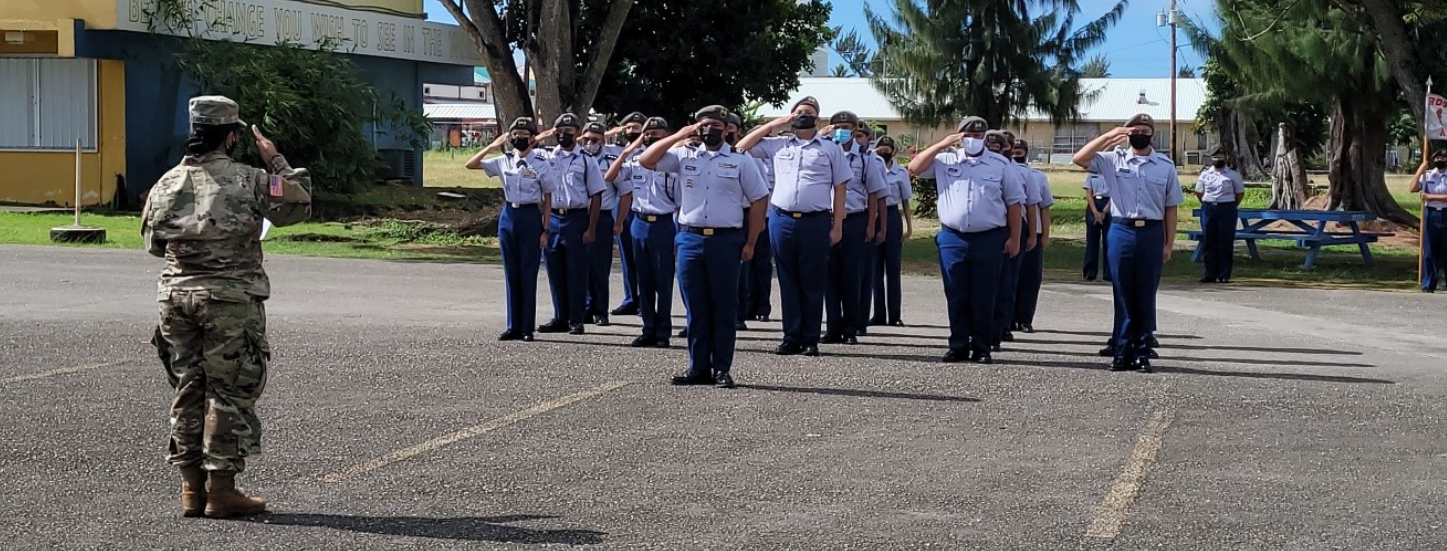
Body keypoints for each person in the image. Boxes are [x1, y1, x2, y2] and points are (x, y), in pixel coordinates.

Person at [141, 95, 312, 518]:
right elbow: (297, 204)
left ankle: (190, 491)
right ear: (232, 136)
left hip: (176, 299)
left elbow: (152, 243)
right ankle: (221, 490)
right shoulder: (252, 179)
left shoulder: (165, 183)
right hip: (229, 300)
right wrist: (276, 161)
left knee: (188, 389)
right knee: (228, 391)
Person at [639, 105, 770, 388]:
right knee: (695, 307)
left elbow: (759, 199)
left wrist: (751, 241)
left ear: (726, 129)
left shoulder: (740, 160)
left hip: (726, 239)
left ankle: (722, 368)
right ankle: (697, 367)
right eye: (704, 125)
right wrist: (678, 135)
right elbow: (646, 161)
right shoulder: (683, 155)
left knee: (723, 307)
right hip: (690, 238)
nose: (709, 130)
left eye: (716, 125)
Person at [736, 97, 851, 357]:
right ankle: (791, 336)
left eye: (808, 113)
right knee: (787, 279)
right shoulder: (778, 145)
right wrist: (775, 124)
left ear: (818, 119)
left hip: (816, 220)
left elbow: (840, 186)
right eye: (798, 112)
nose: (803, 116)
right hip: (781, 219)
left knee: (812, 280)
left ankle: (810, 338)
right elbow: (740, 148)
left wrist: (838, 225)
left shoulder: (831, 149)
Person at [908, 116, 1024, 364]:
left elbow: (1014, 203)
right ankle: (958, 344)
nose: (973, 139)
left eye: (978, 135)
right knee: (956, 292)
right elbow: (915, 168)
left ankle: (982, 346)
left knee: (984, 294)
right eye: (968, 135)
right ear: (959, 136)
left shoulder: (1000, 164)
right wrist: (941, 144)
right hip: (953, 236)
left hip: (989, 237)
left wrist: (1015, 238)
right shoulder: (945, 160)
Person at [1073, 113, 1182, 373]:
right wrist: (1110, 136)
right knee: (1122, 292)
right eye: (1134, 130)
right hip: (1121, 229)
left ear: (1153, 135)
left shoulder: (1165, 166)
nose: (1139, 133)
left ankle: (1142, 353)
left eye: (1145, 130)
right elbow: (1080, 159)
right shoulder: (1113, 159)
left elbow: (1170, 208)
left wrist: (1168, 243)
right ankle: (1122, 352)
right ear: (1127, 133)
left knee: (1145, 293)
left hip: (1151, 232)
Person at [467, 117, 557, 342]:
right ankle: (513, 325)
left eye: (523, 134)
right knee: (511, 273)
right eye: (515, 134)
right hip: (509, 215)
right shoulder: (503, 160)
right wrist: (491, 146)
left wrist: (546, 229)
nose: (519, 138)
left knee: (528, 273)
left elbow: (548, 198)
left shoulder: (540, 163)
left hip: (529, 215)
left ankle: (527, 327)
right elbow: (471, 164)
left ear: (532, 137)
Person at [606, 117, 679, 347]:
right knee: (644, 280)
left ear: (666, 136)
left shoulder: (673, 164)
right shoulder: (636, 161)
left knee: (663, 281)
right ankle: (648, 328)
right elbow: (609, 176)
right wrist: (628, 151)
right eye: (647, 134)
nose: (650, 137)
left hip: (664, 223)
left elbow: (679, 202)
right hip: (639, 223)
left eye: (656, 134)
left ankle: (663, 332)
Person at [820, 111, 886, 345]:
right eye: (837, 126)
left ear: (855, 128)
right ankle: (832, 328)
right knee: (829, 276)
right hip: (826, 219)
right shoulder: (824, 154)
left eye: (846, 126)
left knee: (851, 276)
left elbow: (873, 193)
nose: (841, 130)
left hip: (855, 220)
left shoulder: (866, 159)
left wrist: (871, 225)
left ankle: (850, 328)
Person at [538, 113, 606, 335]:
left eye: (568, 131)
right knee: (554, 269)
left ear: (577, 133)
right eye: (559, 131)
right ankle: (560, 316)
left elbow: (596, 195)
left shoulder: (587, 160)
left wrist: (591, 227)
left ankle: (576, 318)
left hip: (576, 218)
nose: (563, 135)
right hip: (553, 217)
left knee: (576, 272)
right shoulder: (547, 157)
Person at [580, 121, 633, 326]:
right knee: (580, 266)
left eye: (595, 140)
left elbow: (626, 192)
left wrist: (619, 221)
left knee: (599, 267)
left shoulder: (611, 162)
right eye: (587, 139)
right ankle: (584, 308)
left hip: (602, 217)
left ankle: (601, 310)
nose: (590, 143)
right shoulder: (575, 159)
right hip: (579, 216)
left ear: (603, 141)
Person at [989, 130, 1036, 350]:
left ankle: (1003, 326)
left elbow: (1031, 205)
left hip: (1016, 226)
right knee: (987, 282)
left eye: (1007, 146)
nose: (1006, 150)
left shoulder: (1023, 172)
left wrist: (1033, 235)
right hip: (991, 226)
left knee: (1008, 281)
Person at [870, 135, 913, 327]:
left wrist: (909, 227)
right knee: (875, 269)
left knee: (893, 268)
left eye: (888, 148)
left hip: (892, 215)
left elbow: (905, 200)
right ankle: (878, 314)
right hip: (874, 215)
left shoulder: (900, 172)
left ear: (893, 151)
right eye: (881, 148)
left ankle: (895, 315)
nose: (885, 151)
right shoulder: (871, 167)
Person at [1011, 139, 1052, 333]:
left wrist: (1044, 234)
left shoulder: (1037, 176)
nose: (1018, 153)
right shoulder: (1005, 172)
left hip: (1032, 232)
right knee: (1011, 278)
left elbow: (1043, 208)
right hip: (1012, 232)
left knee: (1031, 278)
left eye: (1021, 150)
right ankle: (1008, 318)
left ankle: (1025, 319)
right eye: (1014, 150)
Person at [738, 123, 777, 324]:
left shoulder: (773, 157)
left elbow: (763, 193)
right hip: (739, 213)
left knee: (761, 263)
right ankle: (745, 306)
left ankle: (762, 306)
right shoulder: (741, 155)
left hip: (765, 215)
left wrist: (762, 218)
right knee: (743, 263)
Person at [852, 123, 888, 336]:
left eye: (860, 136)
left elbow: (880, 196)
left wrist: (880, 227)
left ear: (867, 138)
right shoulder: (834, 156)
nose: (856, 139)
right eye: (853, 135)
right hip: (837, 219)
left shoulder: (873, 161)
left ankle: (860, 320)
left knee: (862, 274)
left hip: (863, 217)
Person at [612, 111, 649, 316]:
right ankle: (630, 298)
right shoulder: (620, 151)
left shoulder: (651, 151)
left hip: (642, 204)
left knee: (642, 256)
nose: (630, 132)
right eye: (627, 128)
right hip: (622, 203)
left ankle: (645, 299)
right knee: (626, 255)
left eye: (635, 128)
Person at [1195, 146, 1245, 283]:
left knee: (1225, 242)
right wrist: (1208, 203)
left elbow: (1239, 193)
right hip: (1209, 208)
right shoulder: (1205, 174)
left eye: (1221, 158)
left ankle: (1224, 275)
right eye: (1216, 158)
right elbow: (1199, 192)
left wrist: (1230, 205)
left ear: (1226, 159)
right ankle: (1209, 274)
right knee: (1209, 241)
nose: (1218, 160)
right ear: (1211, 159)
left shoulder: (1233, 175)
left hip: (1227, 209)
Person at [1411, 148, 1447, 293]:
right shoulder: (1428, 175)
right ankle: (1428, 284)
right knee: (1429, 251)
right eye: (1437, 158)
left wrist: (1429, 196)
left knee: (1445, 250)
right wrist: (1420, 170)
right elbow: (1412, 188)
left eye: (1443, 158)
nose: (1440, 160)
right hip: (1431, 214)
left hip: (1445, 213)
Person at [1083, 173, 1111, 282]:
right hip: (1094, 204)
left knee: (1108, 241)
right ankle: (1090, 272)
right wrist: (1095, 212)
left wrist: (1105, 211)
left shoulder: (1112, 173)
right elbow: (1089, 193)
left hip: (1108, 205)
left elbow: (1115, 194)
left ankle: (1108, 273)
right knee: (1092, 240)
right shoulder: (1092, 175)